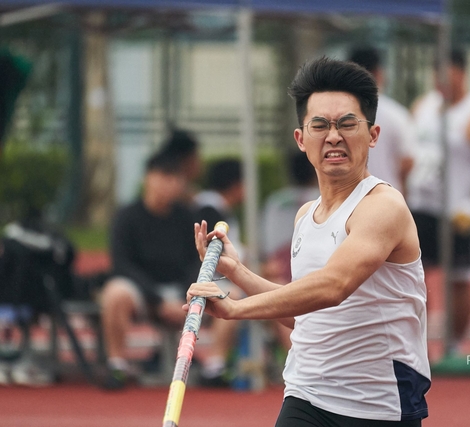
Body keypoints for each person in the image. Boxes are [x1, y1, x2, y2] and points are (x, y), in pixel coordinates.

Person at [187, 57, 431, 426]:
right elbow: (305, 315)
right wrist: (237, 272)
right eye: (320, 125)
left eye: (348, 124)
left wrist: (237, 310)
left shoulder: (383, 207)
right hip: (306, 395)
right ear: (301, 139)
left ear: (373, 135)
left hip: (377, 404)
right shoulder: (306, 215)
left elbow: (333, 287)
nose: (333, 136)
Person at [407, 49, 470, 358]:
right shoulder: (423, 107)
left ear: (462, 74)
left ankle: (455, 344)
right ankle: (420, 345)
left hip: (459, 212)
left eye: (448, 75)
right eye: (437, 75)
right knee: (416, 277)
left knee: (459, 280)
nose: (441, 81)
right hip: (421, 206)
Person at [100, 150, 200, 389]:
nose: (170, 184)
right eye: (164, 177)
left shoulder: (188, 218)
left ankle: (216, 366)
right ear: (148, 178)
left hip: (182, 293)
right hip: (143, 293)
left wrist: (182, 296)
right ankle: (118, 365)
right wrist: (157, 299)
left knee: (231, 293)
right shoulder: (126, 217)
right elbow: (121, 264)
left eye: (176, 179)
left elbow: (197, 261)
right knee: (115, 292)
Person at [193, 158, 245, 386]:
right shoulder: (209, 211)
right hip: (208, 278)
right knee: (232, 295)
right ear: (236, 185)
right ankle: (216, 363)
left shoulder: (217, 207)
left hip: (220, 275)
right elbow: (218, 255)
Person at [261, 151, 319, 351]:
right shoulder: (324, 199)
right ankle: (298, 354)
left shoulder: (275, 202)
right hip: (306, 273)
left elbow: (268, 252)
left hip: (285, 275)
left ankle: (294, 354)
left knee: (279, 294)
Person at [348, 46, 417, 195]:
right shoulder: (397, 115)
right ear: (379, 73)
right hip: (387, 197)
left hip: (348, 199)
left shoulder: (337, 114)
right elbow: (408, 161)